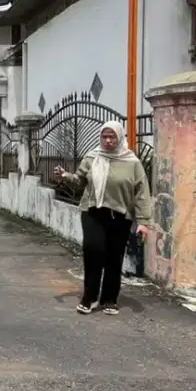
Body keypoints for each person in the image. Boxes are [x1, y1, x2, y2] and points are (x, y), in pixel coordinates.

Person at [53, 120, 152, 315]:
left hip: (120, 215)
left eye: (112, 136)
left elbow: (142, 192)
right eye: (105, 136)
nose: (108, 141)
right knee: (93, 251)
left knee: (114, 257)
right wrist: (65, 176)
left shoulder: (132, 162)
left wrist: (143, 222)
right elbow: (80, 180)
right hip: (93, 212)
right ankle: (89, 297)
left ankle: (109, 299)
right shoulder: (92, 157)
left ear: (119, 137)